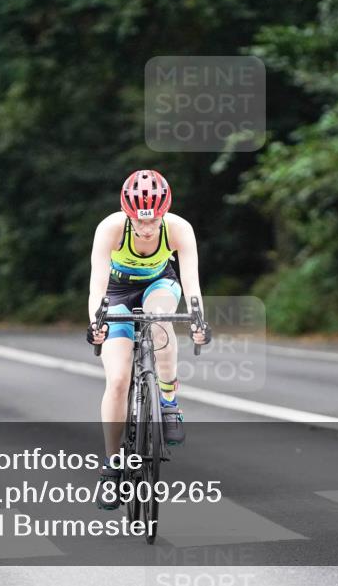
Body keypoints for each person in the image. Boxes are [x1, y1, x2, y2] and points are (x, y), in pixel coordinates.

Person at [86, 170, 211, 509]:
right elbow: (97, 285)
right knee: (116, 380)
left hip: (160, 284)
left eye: (153, 221)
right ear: (127, 214)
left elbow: (191, 284)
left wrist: (199, 319)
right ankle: (112, 467)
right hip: (117, 293)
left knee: (159, 320)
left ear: (164, 212)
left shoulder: (179, 229)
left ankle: (169, 403)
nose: (145, 228)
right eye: (139, 221)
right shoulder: (110, 229)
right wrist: (96, 321)